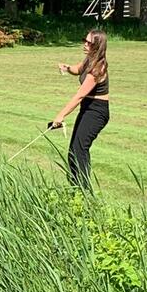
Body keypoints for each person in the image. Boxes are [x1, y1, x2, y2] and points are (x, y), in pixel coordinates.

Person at [52, 29, 110, 189]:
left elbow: (79, 95)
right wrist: (67, 67)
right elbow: (78, 69)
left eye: (89, 43)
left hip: (97, 112)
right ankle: (75, 187)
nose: (85, 44)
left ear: (97, 46)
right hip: (87, 108)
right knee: (73, 151)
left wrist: (60, 116)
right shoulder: (89, 60)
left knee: (79, 150)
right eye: (84, 40)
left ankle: (84, 191)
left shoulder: (98, 68)